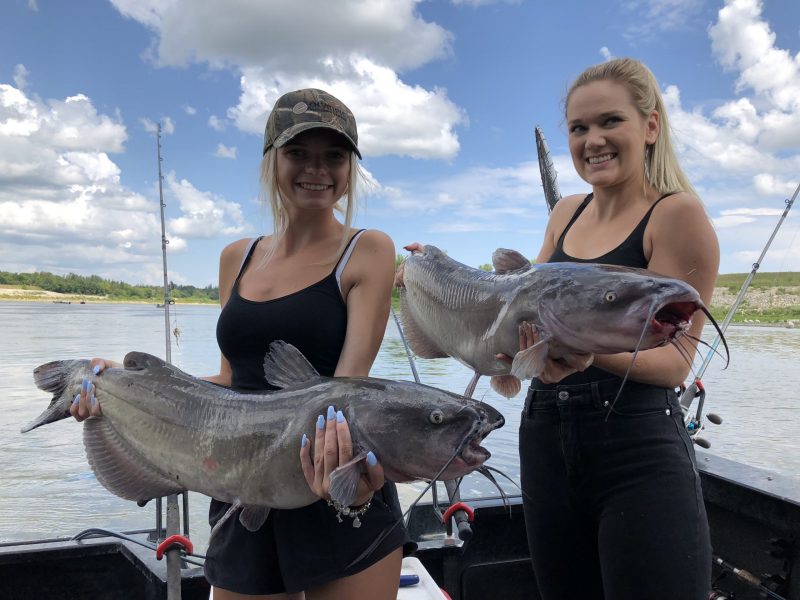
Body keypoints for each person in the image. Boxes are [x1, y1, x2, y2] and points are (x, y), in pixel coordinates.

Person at [72, 88, 412, 600]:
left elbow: (348, 393)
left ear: (350, 168)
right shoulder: (238, 256)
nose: (316, 170)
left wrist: (349, 479)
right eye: (298, 153)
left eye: (334, 157)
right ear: (272, 158)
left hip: (339, 485)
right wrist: (122, 388)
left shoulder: (368, 250)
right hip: (243, 487)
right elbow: (231, 382)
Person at [513, 58, 718, 600]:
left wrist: (581, 350)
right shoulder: (565, 215)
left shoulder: (677, 215)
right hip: (543, 438)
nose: (593, 140)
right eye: (579, 128)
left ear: (650, 127)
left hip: (636, 445)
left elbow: (676, 364)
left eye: (610, 122)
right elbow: (521, 308)